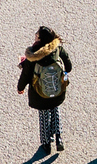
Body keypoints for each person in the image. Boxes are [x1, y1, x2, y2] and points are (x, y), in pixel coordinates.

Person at [17, 26, 73, 157]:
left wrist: (20, 88)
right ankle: (58, 138)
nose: (35, 35)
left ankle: (46, 143)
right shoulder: (57, 48)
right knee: (55, 109)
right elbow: (68, 67)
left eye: (37, 34)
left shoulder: (33, 55)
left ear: (40, 38)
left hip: (39, 93)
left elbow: (26, 75)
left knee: (43, 115)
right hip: (57, 89)